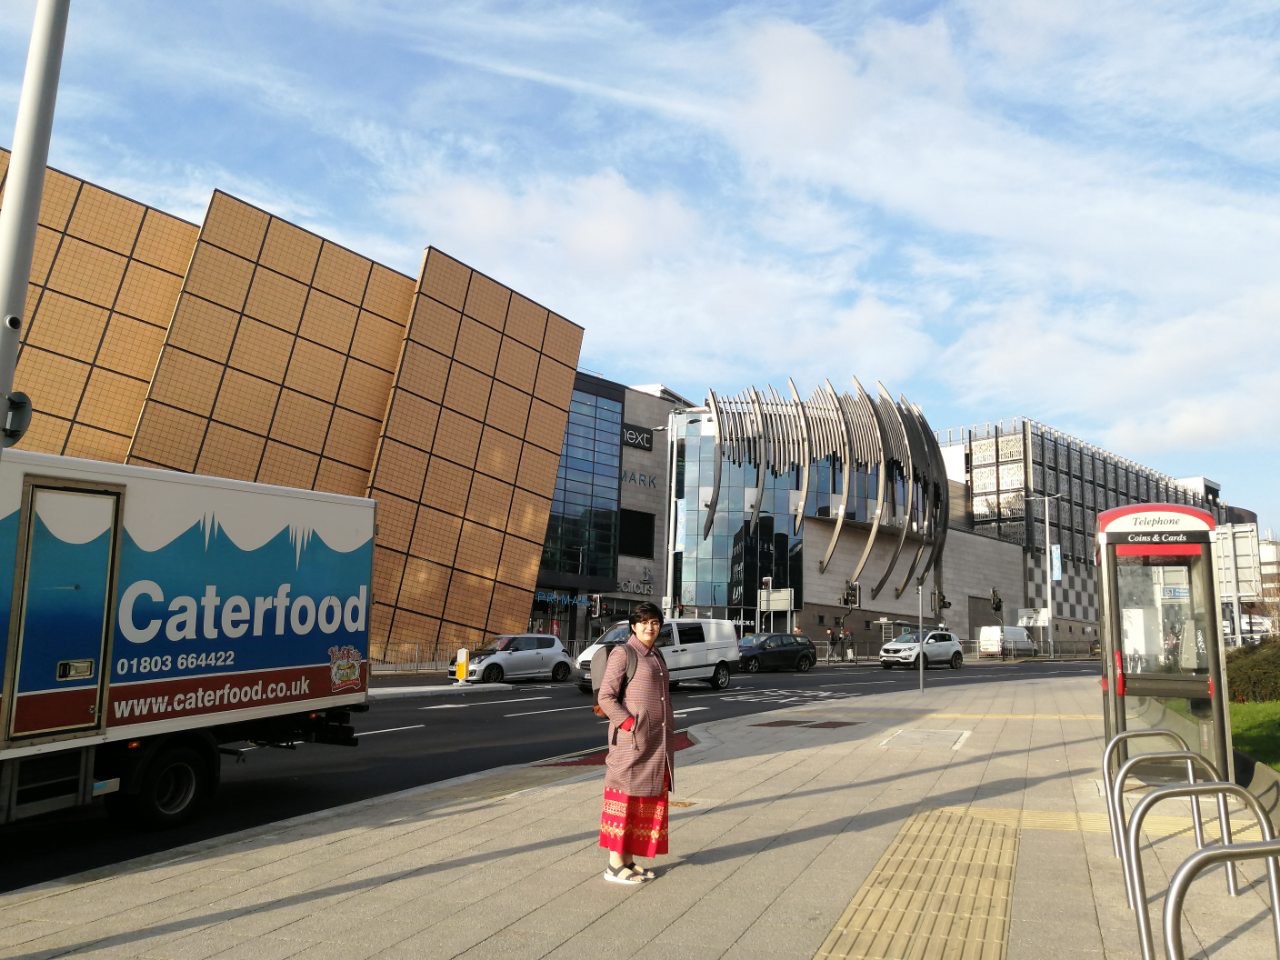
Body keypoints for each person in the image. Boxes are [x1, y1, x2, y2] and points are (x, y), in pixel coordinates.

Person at [597, 600, 675, 886]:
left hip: (655, 743)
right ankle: (614, 865)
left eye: (654, 622)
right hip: (632, 744)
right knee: (625, 799)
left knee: (643, 800)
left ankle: (628, 860)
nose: (649, 627)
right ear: (633, 626)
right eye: (643, 622)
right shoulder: (624, 653)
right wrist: (630, 724)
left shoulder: (657, 655)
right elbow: (606, 697)